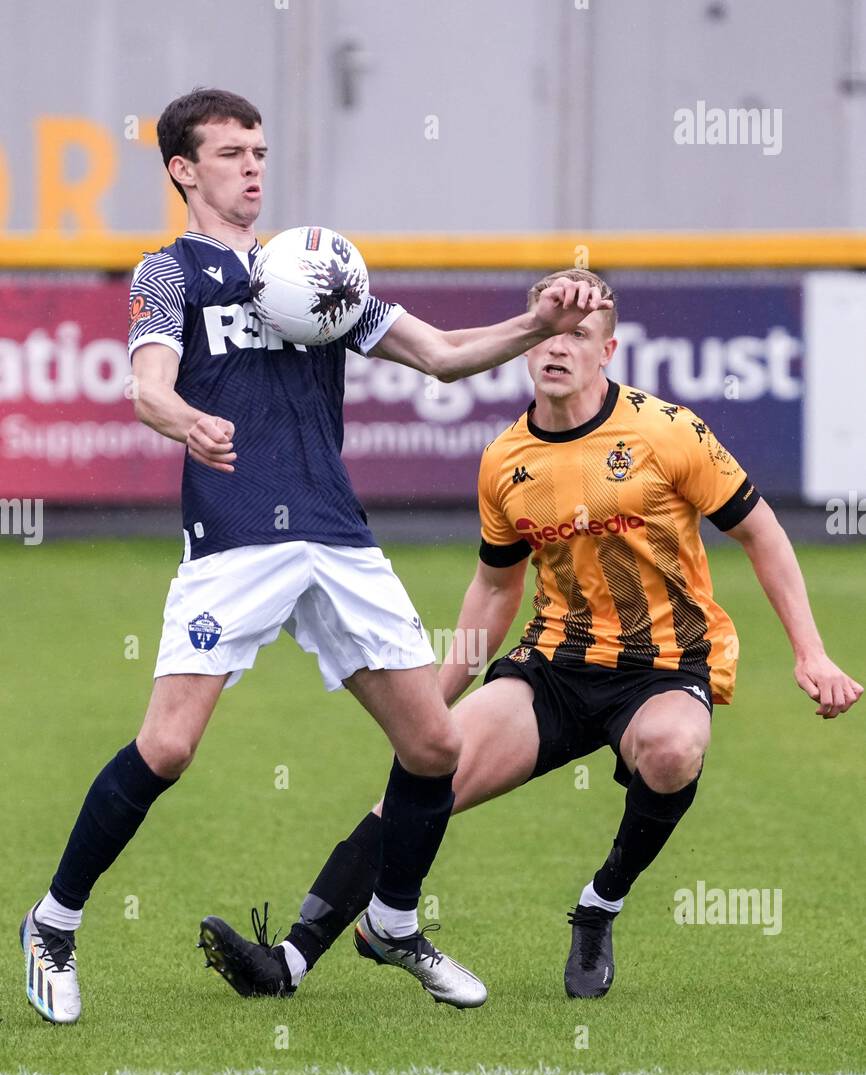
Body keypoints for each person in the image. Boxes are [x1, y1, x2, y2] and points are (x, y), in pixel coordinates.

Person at [20, 90, 610, 1025]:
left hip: (335, 535)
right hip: (237, 532)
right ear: (183, 169)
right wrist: (188, 421)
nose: (253, 166)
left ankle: (394, 921)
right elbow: (146, 390)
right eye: (230, 153)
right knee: (169, 746)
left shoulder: (320, 269)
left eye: (260, 149)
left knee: (434, 743)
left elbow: (448, 355)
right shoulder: (168, 274)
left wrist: (539, 323)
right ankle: (53, 922)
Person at [199, 266, 862, 1004]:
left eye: (579, 334)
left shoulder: (668, 432)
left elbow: (763, 534)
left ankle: (599, 905)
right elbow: (494, 588)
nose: (559, 346)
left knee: (673, 751)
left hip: (663, 667)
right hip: (551, 667)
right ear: (527, 342)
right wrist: (434, 698)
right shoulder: (507, 461)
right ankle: (288, 961)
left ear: (608, 350)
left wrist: (812, 651)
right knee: (426, 779)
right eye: (549, 329)